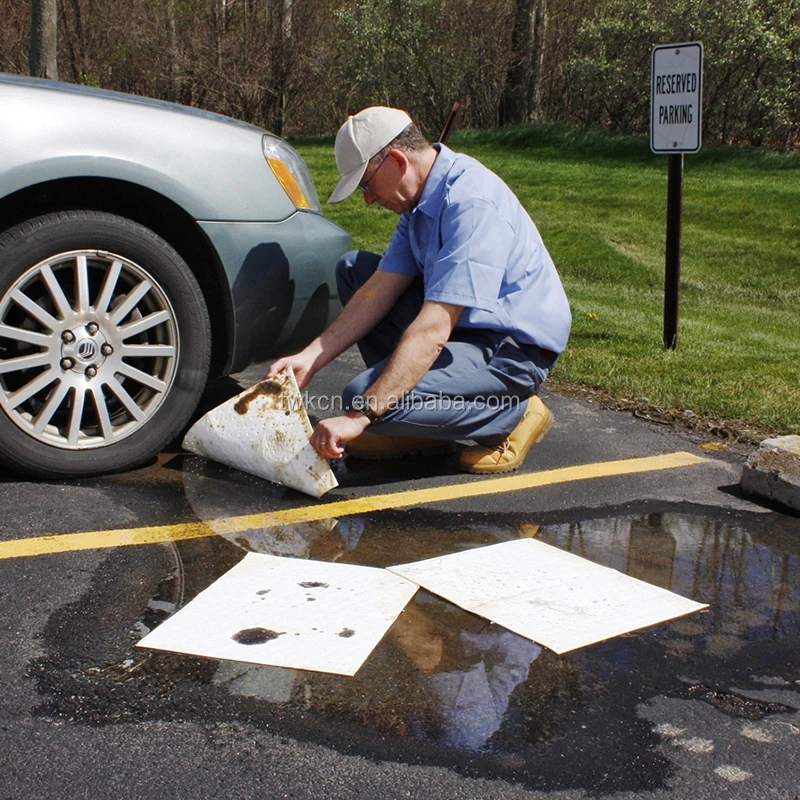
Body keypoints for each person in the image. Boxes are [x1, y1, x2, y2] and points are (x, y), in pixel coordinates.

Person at [267, 106, 571, 474]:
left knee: (360, 398)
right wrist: (312, 356)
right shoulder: (419, 201)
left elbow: (433, 330)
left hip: (511, 350)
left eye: (366, 184)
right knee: (354, 271)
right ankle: (417, 422)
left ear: (396, 160)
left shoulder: (470, 204)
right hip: (468, 330)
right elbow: (378, 289)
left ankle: (515, 413)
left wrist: (363, 415)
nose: (368, 199)